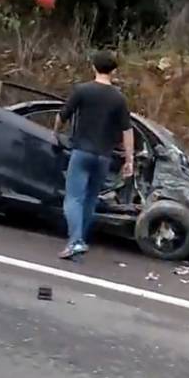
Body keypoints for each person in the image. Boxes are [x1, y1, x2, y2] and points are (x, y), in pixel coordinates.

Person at [53, 50, 134, 259]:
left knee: (73, 199)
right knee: (90, 200)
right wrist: (129, 160)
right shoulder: (119, 98)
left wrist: (55, 133)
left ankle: (75, 242)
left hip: (81, 153)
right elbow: (127, 130)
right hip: (104, 157)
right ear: (114, 71)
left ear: (93, 67)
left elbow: (62, 115)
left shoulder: (82, 91)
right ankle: (81, 240)